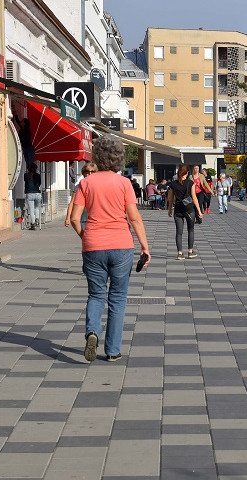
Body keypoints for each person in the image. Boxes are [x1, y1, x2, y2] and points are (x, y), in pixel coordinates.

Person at [70, 135, 150, 363]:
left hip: (93, 245)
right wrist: (145, 247)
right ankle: (113, 350)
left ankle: (92, 332)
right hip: (121, 245)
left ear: (97, 156)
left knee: (96, 294)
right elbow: (134, 218)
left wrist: (86, 236)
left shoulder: (86, 183)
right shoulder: (124, 183)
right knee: (117, 297)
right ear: (119, 158)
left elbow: (75, 218)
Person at [168, 164, 203, 259]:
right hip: (189, 209)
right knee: (190, 230)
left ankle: (180, 253)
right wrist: (199, 211)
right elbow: (194, 197)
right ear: (187, 173)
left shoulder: (173, 184)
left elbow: (170, 198)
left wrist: (169, 209)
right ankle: (190, 251)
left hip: (178, 210)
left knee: (179, 232)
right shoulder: (190, 183)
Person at [65, 162, 96, 227]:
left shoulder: (99, 186)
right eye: (87, 172)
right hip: (83, 220)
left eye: (92, 172)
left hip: (96, 220)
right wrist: (68, 218)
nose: (90, 174)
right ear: (84, 173)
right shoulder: (78, 187)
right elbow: (72, 202)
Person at [24, 163, 42, 230]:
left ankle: (33, 224)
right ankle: (37, 220)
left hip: (30, 194)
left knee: (31, 210)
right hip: (37, 194)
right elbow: (39, 184)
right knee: (36, 208)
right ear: (36, 169)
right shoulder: (38, 175)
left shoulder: (26, 175)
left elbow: (25, 181)